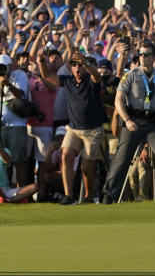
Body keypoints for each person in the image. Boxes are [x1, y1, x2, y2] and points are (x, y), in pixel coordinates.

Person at [104, 40, 155, 202]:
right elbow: (118, 100)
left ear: (154, 57)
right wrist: (127, 120)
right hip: (134, 121)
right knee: (122, 158)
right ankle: (109, 194)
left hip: (152, 123)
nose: (142, 57)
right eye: (140, 54)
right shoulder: (130, 75)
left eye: (146, 55)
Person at [41, 50, 106, 205]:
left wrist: (85, 63)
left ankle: (88, 197)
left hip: (93, 129)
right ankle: (69, 195)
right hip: (73, 128)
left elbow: (97, 75)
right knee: (66, 155)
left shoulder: (92, 81)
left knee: (86, 166)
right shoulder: (69, 81)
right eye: (74, 65)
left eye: (80, 65)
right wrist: (42, 62)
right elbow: (48, 76)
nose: (77, 68)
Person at [0, 53, 33, 187]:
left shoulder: (19, 75)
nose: (2, 70)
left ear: (10, 66)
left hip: (16, 125)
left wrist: (8, 84)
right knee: (4, 161)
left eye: (4, 67)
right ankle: (6, 190)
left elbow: (19, 95)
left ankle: (21, 191)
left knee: (18, 160)